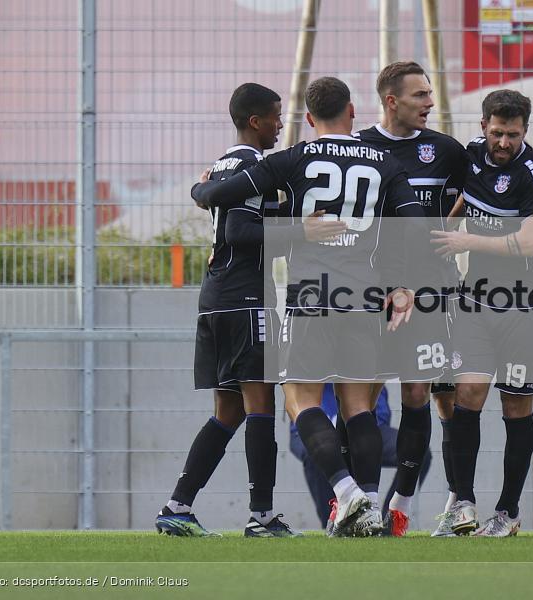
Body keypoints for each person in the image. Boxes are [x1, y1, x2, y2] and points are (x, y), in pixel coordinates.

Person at [191, 76, 425, 537]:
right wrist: (404, 285)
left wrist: (201, 192)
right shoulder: (384, 161)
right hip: (365, 295)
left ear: (310, 118)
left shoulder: (294, 158)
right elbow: (416, 225)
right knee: (358, 405)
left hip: (312, 293)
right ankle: (369, 504)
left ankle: (348, 493)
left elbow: (223, 195)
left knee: (301, 400)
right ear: (353, 112)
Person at [155, 83, 343, 538]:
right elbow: (239, 231)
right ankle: (262, 516)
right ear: (255, 121)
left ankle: (177, 506)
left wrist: (289, 217)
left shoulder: (224, 165)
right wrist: (302, 233)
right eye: (276, 116)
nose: (281, 125)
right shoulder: (251, 166)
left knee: (229, 411)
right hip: (246, 299)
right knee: (260, 406)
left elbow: (241, 216)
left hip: (216, 299)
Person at [430, 90, 533, 537]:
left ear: (525, 131)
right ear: (484, 126)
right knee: (466, 395)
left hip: (527, 305)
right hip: (476, 301)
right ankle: (463, 505)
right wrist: (450, 220)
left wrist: (467, 241)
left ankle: (508, 512)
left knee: (515, 404)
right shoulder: (470, 157)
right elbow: (465, 196)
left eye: (513, 135)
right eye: (498, 132)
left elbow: (530, 243)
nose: (504, 142)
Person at [355, 61, 468, 536]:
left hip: (432, 291)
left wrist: (451, 230)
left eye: (429, 93)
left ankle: (399, 507)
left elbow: (484, 184)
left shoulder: (446, 150)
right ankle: (359, 505)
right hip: (371, 290)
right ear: (391, 100)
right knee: (363, 394)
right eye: (420, 95)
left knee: (421, 392)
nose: (430, 103)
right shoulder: (359, 147)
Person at [288, 384, 431, 533]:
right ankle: (356, 509)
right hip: (329, 421)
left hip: (362, 421)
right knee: (354, 406)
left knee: (349, 404)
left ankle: (367, 505)